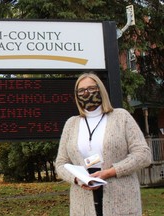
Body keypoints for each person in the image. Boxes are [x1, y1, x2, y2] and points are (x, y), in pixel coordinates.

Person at [55, 72, 151, 216]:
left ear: (101, 90)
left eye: (91, 89)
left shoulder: (121, 117)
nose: (86, 93)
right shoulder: (71, 124)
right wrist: (77, 179)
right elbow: (60, 163)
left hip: (121, 200)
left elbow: (143, 155)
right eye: (81, 90)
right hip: (82, 201)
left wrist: (110, 172)